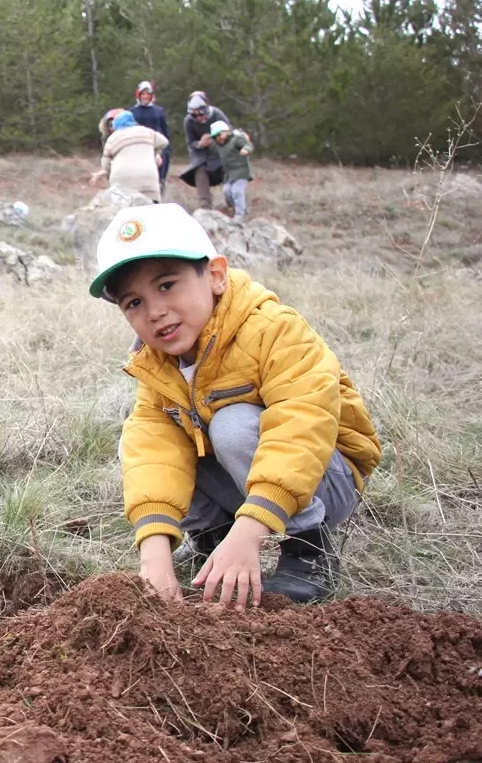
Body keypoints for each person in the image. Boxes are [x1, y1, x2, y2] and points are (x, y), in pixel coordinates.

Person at [87, 204, 381, 607]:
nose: (155, 311)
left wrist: (252, 529)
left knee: (232, 424)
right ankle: (215, 542)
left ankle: (308, 549)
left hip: (324, 478)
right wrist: (154, 553)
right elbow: (154, 453)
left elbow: (303, 426)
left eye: (167, 285)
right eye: (133, 303)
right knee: (153, 437)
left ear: (216, 276)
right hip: (248, 477)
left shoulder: (274, 328)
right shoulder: (157, 364)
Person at [89, 112, 168, 203]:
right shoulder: (147, 131)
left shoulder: (112, 138)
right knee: (149, 210)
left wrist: (110, 172)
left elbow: (105, 164)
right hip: (148, 181)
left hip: (122, 183)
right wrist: (154, 154)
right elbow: (164, 142)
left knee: (125, 213)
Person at [179, 92, 231, 209]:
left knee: (228, 171)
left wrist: (216, 139)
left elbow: (229, 132)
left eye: (201, 114)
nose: (199, 118)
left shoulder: (216, 114)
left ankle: (232, 202)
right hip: (202, 155)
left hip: (220, 153)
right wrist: (200, 144)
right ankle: (205, 206)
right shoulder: (188, 121)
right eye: (195, 115)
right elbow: (190, 142)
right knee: (199, 171)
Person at [129, 81, 170, 193]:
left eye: (148, 94)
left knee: (164, 154)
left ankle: (161, 181)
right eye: (143, 94)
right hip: (140, 143)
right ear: (138, 95)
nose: (145, 96)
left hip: (157, 143)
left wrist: (165, 145)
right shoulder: (132, 112)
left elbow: (165, 130)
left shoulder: (159, 111)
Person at [210, 120, 254, 220]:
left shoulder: (236, 139)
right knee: (227, 192)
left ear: (226, 132)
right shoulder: (218, 146)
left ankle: (240, 214)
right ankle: (240, 208)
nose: (217, 138)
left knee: (237, 192)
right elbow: (211, 149)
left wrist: (246, 149)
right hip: (229, 174)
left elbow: (248, 145)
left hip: (241, 171)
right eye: (214, 137)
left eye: (218, 135)